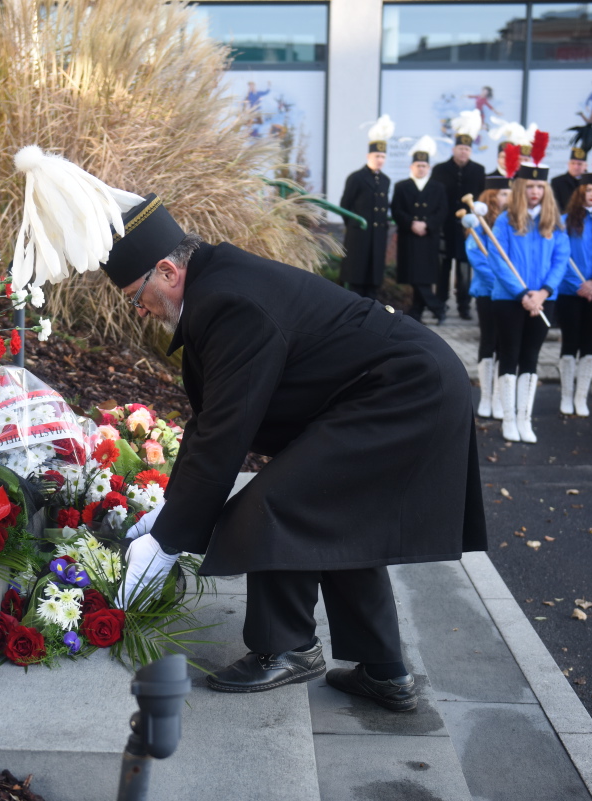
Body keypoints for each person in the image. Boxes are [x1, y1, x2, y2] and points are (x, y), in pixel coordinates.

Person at [97, 195, 487, 712]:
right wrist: (172, 511)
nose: (140, 310)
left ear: (167, 271)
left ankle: (288, 649)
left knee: (272, 506)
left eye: (136, 296)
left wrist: (167, 542)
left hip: (406, 393)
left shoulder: (227, 301)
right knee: (335, 513)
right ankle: (386, 672)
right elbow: (210, 419)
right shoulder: (219, 284)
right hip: (402, 385)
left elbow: (225, 434)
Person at [486, 138, 568, 443]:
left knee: (531, 357)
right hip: (510, 299)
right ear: (521, 188)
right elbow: (498, 260)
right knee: (509, 354)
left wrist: (543, 293)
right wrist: (522, 294)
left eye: (540, 186)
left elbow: (561, 260)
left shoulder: (553, 223)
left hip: (543, 300)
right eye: (530, 186)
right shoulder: (505, 221)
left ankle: (525, 418)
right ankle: (508, 419)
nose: (535, 191)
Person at [558, 153, 592, 417]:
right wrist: (578, 283)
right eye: (589, 190)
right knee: (570, 342)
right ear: (581, 192)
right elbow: (561, 257)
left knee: (590, 344)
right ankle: (566, 395)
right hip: (570, 291)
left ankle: (581, 396)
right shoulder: (565, 220)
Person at [462, 175, 511, 418]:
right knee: (489, 340)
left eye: (509, 194)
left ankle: (500, 397)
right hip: (488, 290)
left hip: (510, 293)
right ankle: (486, 396)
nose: (508, 198)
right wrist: (501, 281)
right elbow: (477, 258)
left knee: (505, 343)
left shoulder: (512, 220)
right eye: (503, 194)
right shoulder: (479, 223)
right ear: (491, 196)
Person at [431, 113, 487, 320]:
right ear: (454, 149)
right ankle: (440, 304)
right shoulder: (440, 170)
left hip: (468, 228)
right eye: (460, 148)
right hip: (444, 226)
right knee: (443, 267)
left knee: (465, 268)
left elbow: (482, 199)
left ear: (470, 151)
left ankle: (464, 305)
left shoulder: (479, 171)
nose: (463, 152)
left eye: (467, 149)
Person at [393, 136, 449, 324]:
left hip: (428, 238)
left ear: (429, 168)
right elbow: (396, 210)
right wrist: (411, 223)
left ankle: (422, 312)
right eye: (418, 165)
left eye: (424, 166)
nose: (421, 169)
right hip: (409, 237)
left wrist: (427, 225)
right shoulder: (402, 186)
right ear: (411, 167)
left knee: (422, 277)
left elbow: (442, 210)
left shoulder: (438, 187)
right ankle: (432, 308)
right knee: (413, 276)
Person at [339, 115, 393, 299]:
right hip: (359, 234)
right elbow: (345, 205)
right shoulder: (357, 177)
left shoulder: (385, 180)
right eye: (377, 156)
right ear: (368, 156)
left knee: (373, 277)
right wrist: (355, 225)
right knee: (357, 276)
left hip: (377, 234)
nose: (380, 160)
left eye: (383, 156)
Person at [551, 146, 587, 211]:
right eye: (573, 163)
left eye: (579, 164)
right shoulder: (557, 182)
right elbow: (555, 205)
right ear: (568, 164)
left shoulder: (590, 183)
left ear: (585, 166)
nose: (576, 167)